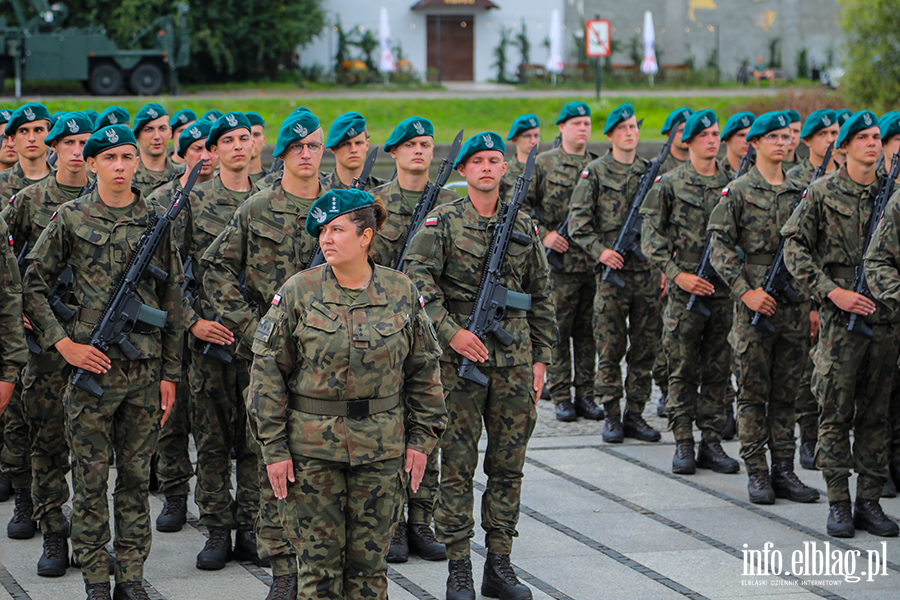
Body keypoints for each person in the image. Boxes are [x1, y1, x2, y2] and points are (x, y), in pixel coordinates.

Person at [250, 187, 446, 600]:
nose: (326, 238)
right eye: (323, 230)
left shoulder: (401, 291)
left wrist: (422, 441)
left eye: (337, 229)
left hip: (381, 449)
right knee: (318, 573)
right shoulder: (300, 291)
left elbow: (425, 371)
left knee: (369, 572)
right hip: (311, 453)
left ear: (366, 237)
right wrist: (274, 449)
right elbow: (267, 374)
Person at [22, 123, 184, 600]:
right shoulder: (69, 218)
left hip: (144, 371)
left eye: (127, 157)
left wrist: (170, 374)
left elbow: (173, 299)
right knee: (90, 480)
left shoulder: (156, 220)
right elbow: (31, 284)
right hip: (90, 367)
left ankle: (131, 578)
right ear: (90, 164)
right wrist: (62, 344)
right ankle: (96, 578)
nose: (120, 166)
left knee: (135, 479)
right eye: (109, 158)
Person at [404, 132, 556, 600]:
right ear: (465, 171)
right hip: (459, 363)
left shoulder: (523, 226)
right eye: (478, 161)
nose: (488, 167)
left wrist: (541, 358)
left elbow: (542, 294)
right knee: (458, 466)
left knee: (509, 465)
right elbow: (416, 279)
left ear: (504, 169)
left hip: (512, 361)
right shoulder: (443, 221)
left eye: (495, 160)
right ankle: (458, 568)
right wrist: (452, 332)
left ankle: (499, 563)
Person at [202, 110, 336, 599]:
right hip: (270, 361)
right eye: (297, 147)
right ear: (281, 154)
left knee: (324, 466)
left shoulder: (343, 207)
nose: (306, 154)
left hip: (330, 363)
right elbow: (215, 268)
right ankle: (282, 572)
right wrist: (254, 330)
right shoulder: (257, 208)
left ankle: (323, 566)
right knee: (270, 461)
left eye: (314, 146)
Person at [783, 110, 900, 538]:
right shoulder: (822, 192)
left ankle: (869, 501)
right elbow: (794, 247)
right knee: (834, 412)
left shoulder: (893, 194)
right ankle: (838, 502)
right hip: (840, 320)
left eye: (876, 137)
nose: (873, 143)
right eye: (862, 137)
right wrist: (829, 292)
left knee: (877, 414)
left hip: (886, 319)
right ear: (843, 147)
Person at [707, 111, 819, 503]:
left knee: (787, 393)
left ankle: (785, 470)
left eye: (784, 137)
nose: (781, 143)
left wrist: (814, 303)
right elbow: (718, 249)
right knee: (754, 392)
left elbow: (812, 248)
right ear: (753, 143)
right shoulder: (737, 191)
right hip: (755, 303)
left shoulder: (804, 191)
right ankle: (757, 471)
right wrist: (744, 291)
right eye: (770, 137)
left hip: (794, 303)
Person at [0, 111, 93, 574]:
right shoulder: (27, 200)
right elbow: (9, 263)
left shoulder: (111, 199)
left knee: (96, 452)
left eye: (85, 143)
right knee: (47, 438)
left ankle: (93, 541)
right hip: (47, 337)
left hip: (100, 341)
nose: (78, 151)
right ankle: (51, 530)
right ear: (54, 147)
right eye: (70, 142)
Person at [175, 112, 267, 570]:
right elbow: (169, 274)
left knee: (256, 438)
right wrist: (192, 322)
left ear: (255, 146)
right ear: (212, 151)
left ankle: (250, 526)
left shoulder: (269, 201)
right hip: (210, 342)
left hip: (257, 343)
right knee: (211, 440)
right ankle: (215, 529)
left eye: (244, 138)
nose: (236, 146)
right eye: (226, 140)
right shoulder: (192, 202)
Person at [370, 116, 459, 564]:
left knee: (427, 423)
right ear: (395, 152)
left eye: (426, 144)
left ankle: (421, 519)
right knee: (388, 428)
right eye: (411, 145)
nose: (420, 151)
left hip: (430, 327)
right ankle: (392, 524)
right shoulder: (374, 204)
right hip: (384, 328)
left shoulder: (449, 203)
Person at [640, 109, 739, 474]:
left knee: (717, 367)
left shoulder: (733, 183)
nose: (713, 140)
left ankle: (711, 441)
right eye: (705, 135)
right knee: (681, 368)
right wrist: (675, 274)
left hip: (723, 288)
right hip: (686, 289)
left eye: (716, 134)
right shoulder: (670, 183)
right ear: (689, 141)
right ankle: (683, 440)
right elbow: (651, 238)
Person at [569, 103, 662, 444]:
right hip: (612, 277)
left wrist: (664, 264)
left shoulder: (651, 173)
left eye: (634, 127)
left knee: (645, 346)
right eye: (622, 128)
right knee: (609, 346)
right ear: (609, 135)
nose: (630, 133)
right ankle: (611, 414)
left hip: (647, 274)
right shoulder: (594, 172)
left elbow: (661, 224)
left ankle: (635, 413)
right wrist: (601, 251)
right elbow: (577, 223)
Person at [148, 120, 218, 538]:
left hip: (219, 330)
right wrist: (189, 320)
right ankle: (175, 493)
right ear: (181, 153)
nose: (203, 156)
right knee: (172, 418)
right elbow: (161, 276)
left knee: (211, 422)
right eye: (195, 149)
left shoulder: (242, 197)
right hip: (175, 325)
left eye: (209, 149)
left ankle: (217, 509)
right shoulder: (163, 201)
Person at [524, 101, 601, 423]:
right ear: (562, 128)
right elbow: (522, 208)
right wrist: (544, 235)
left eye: (586, 123)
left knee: (588, 333)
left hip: (592, 263)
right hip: (557, 264)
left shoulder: (599, 165)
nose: (582, 128)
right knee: (559, 330)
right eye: (576, 123)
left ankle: (586, 394)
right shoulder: (543, 163)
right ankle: (562, 394)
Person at [0, 102, 53, 521]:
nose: (34, 137)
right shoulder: (9, 192)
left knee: (54, 418)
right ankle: (22, 492)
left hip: (61, 319)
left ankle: (52, 502)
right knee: (19, 410)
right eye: (26, 131)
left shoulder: (70, 188)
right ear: (12, 139)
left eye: (41, 130)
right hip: (19, 318)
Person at [786, 108, 840, 470]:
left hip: (844, 288)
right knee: (808, 370)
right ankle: (808, 438)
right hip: (808, 290)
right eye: (824, 134)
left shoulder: (850, 179)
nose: (831, 139)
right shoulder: (796, 181)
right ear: (807, 140)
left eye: (836, 132)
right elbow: (792, 246)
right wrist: (811, 302)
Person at [0, 103, 53, 201]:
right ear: (13, 138)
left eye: (38, 130)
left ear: (49, 135)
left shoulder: (64, 182)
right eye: (23, 131)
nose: (31, 138)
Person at [321, 111, 384, 191]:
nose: (353, 150)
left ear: (367, 144)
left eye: (358, 143)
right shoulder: (319, 191)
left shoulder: (383, 191)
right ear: (333, 148)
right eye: (346, 144)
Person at [132, 103, 181, 195]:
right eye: (149, 129)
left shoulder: (183, 175)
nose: (157, 136)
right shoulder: (126, 177)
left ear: (170, 132)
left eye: (162, 129)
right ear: (136, 135)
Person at [500, 113, 541, 201]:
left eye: (536, 135)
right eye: (527, 136)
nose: (533, 141)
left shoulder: (545, 167)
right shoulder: (504, 171)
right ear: (515, 139)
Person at [659, 107, 694, 174]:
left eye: (689, 130)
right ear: (668, 134)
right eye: (681, 130)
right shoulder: (658, 167)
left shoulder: (704, 164)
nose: (686, 134)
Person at [721, 112, 756, 178]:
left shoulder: (762, 170)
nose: (747, 141)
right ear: (726, 139)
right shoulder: (718, 172)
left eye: (750, 135)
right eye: (741, 135)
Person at [245, 112, 267, 185]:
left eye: (256, 135)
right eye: (245, 137)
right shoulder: (224, 180)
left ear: (263, 140)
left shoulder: (275, 181)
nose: (252, 141)